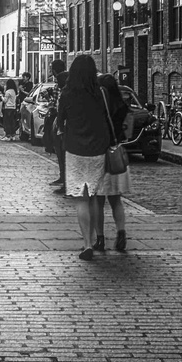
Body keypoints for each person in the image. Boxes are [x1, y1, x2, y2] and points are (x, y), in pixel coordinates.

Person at [58, 56, 129, 258]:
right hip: (98, 150)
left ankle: (88, 244)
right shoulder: (101, 93)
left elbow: (61, 121)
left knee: (82, 198)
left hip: (75, 150)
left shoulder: (67, 93)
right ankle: (99, 238)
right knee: (96, 198)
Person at [45, 57, 68, 190]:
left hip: (59, 122)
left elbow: (54, 105)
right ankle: (64, 179)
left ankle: (64, 179)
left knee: (60, 151)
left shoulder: (58, 84)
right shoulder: (70, 82)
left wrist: (48, 98)